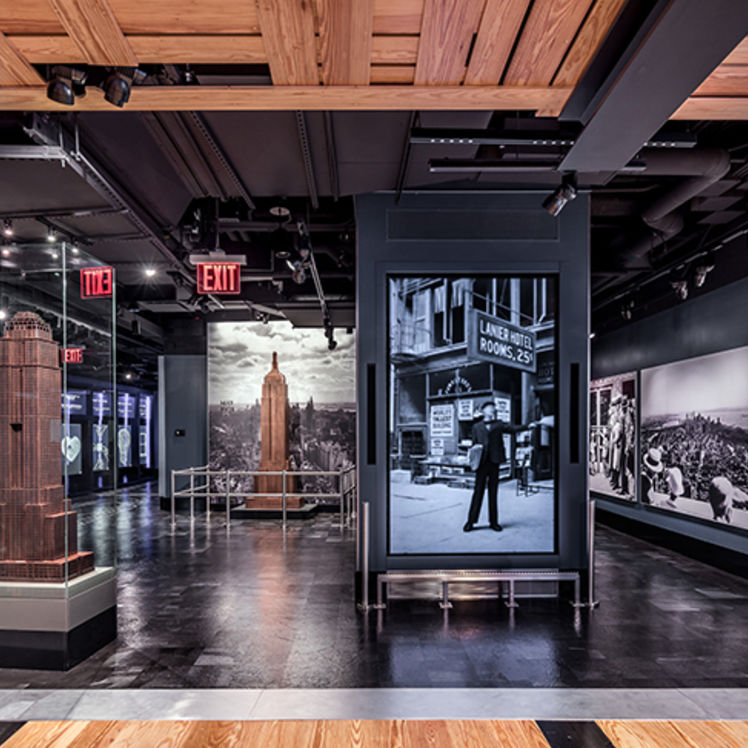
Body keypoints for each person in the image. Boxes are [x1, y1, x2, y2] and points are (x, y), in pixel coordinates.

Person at [464, 401, 535, 532]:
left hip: (494, 461)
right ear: (483, 411)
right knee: (478, 492)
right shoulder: (476, 427)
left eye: (494, 409)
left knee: (493, 492)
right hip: (481, 462)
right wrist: (472, 460)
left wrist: (527, 426)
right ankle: (471, 521)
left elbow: (513, 429)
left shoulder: (499, 424)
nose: (493, 410)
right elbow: (473, 445)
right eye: (490, 408)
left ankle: (494, 522)